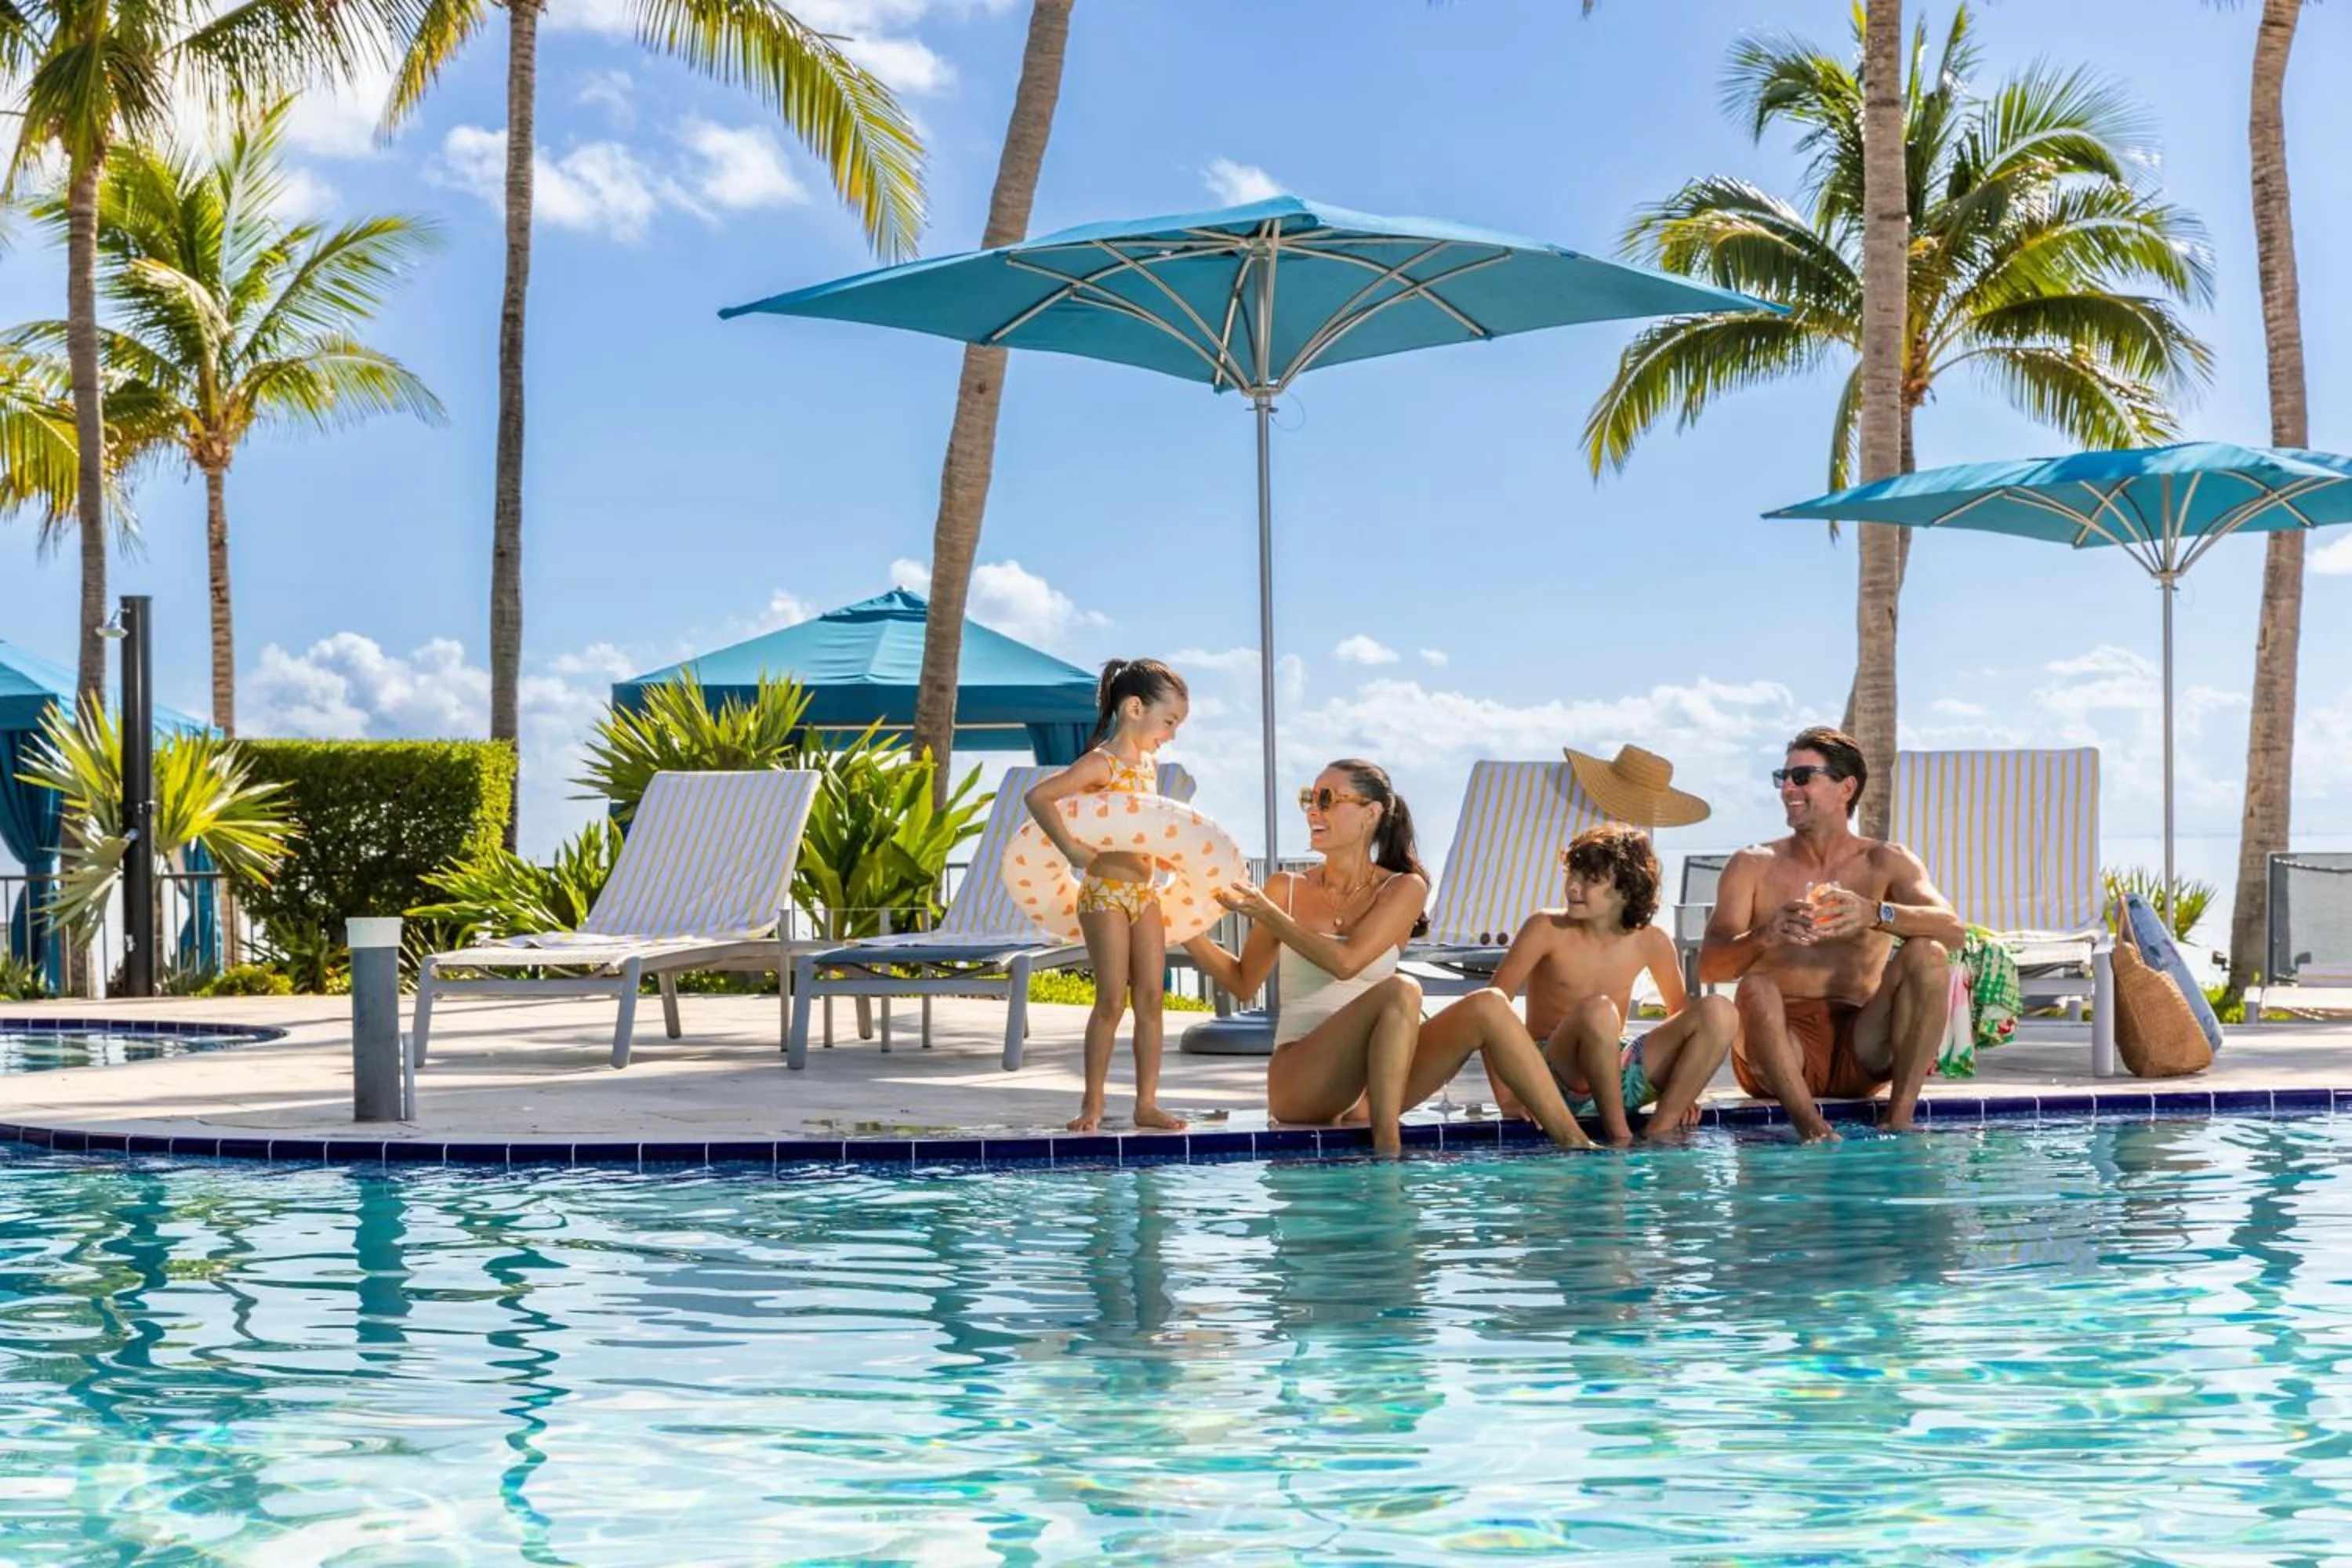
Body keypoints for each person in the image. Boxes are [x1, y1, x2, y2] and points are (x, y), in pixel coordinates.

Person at [1182, 759, 1592, 1157]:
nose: (1313, 810)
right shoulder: (1284, 888)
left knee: (1489, 1004)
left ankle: (1577, 1144)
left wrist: (1271, 917)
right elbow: (1241, 981)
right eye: (1309, 798)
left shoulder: (1404, 888)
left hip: (1377, 1088)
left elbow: (1348, 961)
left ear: (1370, 813)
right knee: (1400, 990)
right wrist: (1183, 929)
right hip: (1302, 1083)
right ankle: (1388, 1151)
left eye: (1327, 798)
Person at [1699, 726, 1963, 1141]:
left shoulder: (1886, 861)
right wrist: (1764, 936)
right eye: (1782, 778)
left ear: (1846, 787)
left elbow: (1953, 931)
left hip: (1861, 1042)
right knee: (1755, 985)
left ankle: (1900, 1120)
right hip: (1780, 1049)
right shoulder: (1751, 864)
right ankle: (1812, 1129)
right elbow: (1709, 966)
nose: (1787, 787)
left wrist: (1876, 913)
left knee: (1928, 953)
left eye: (1802, 777)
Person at [1468, 824, 1737, 1144]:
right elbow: (1488, 1011)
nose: (1573, 888)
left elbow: (1680, 1015)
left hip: (1620, 1074)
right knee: (1598, 1011)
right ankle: (1619, 1138)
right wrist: (1508, 1099)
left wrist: (1684, 1092)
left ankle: (1659, 1130)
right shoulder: (1546, 928)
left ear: (1626, 889)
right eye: (1573, 875)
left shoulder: (1651, 941)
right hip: (1553, 1079)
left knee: (1720, 1011)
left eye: (1590, 881)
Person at [1025, 659, 1192, 1133]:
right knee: (1112, 1001)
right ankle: (1092, 1105)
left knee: (1153, 998)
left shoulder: (1149, 766)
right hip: (1105, 894)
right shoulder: (1102, 763)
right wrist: (1073, 850)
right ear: (1135, 708)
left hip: (1145, 893)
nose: (1172, 735)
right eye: (1169, 722)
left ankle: (1146, 1104)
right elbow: (1039, 797)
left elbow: (1144, 828)